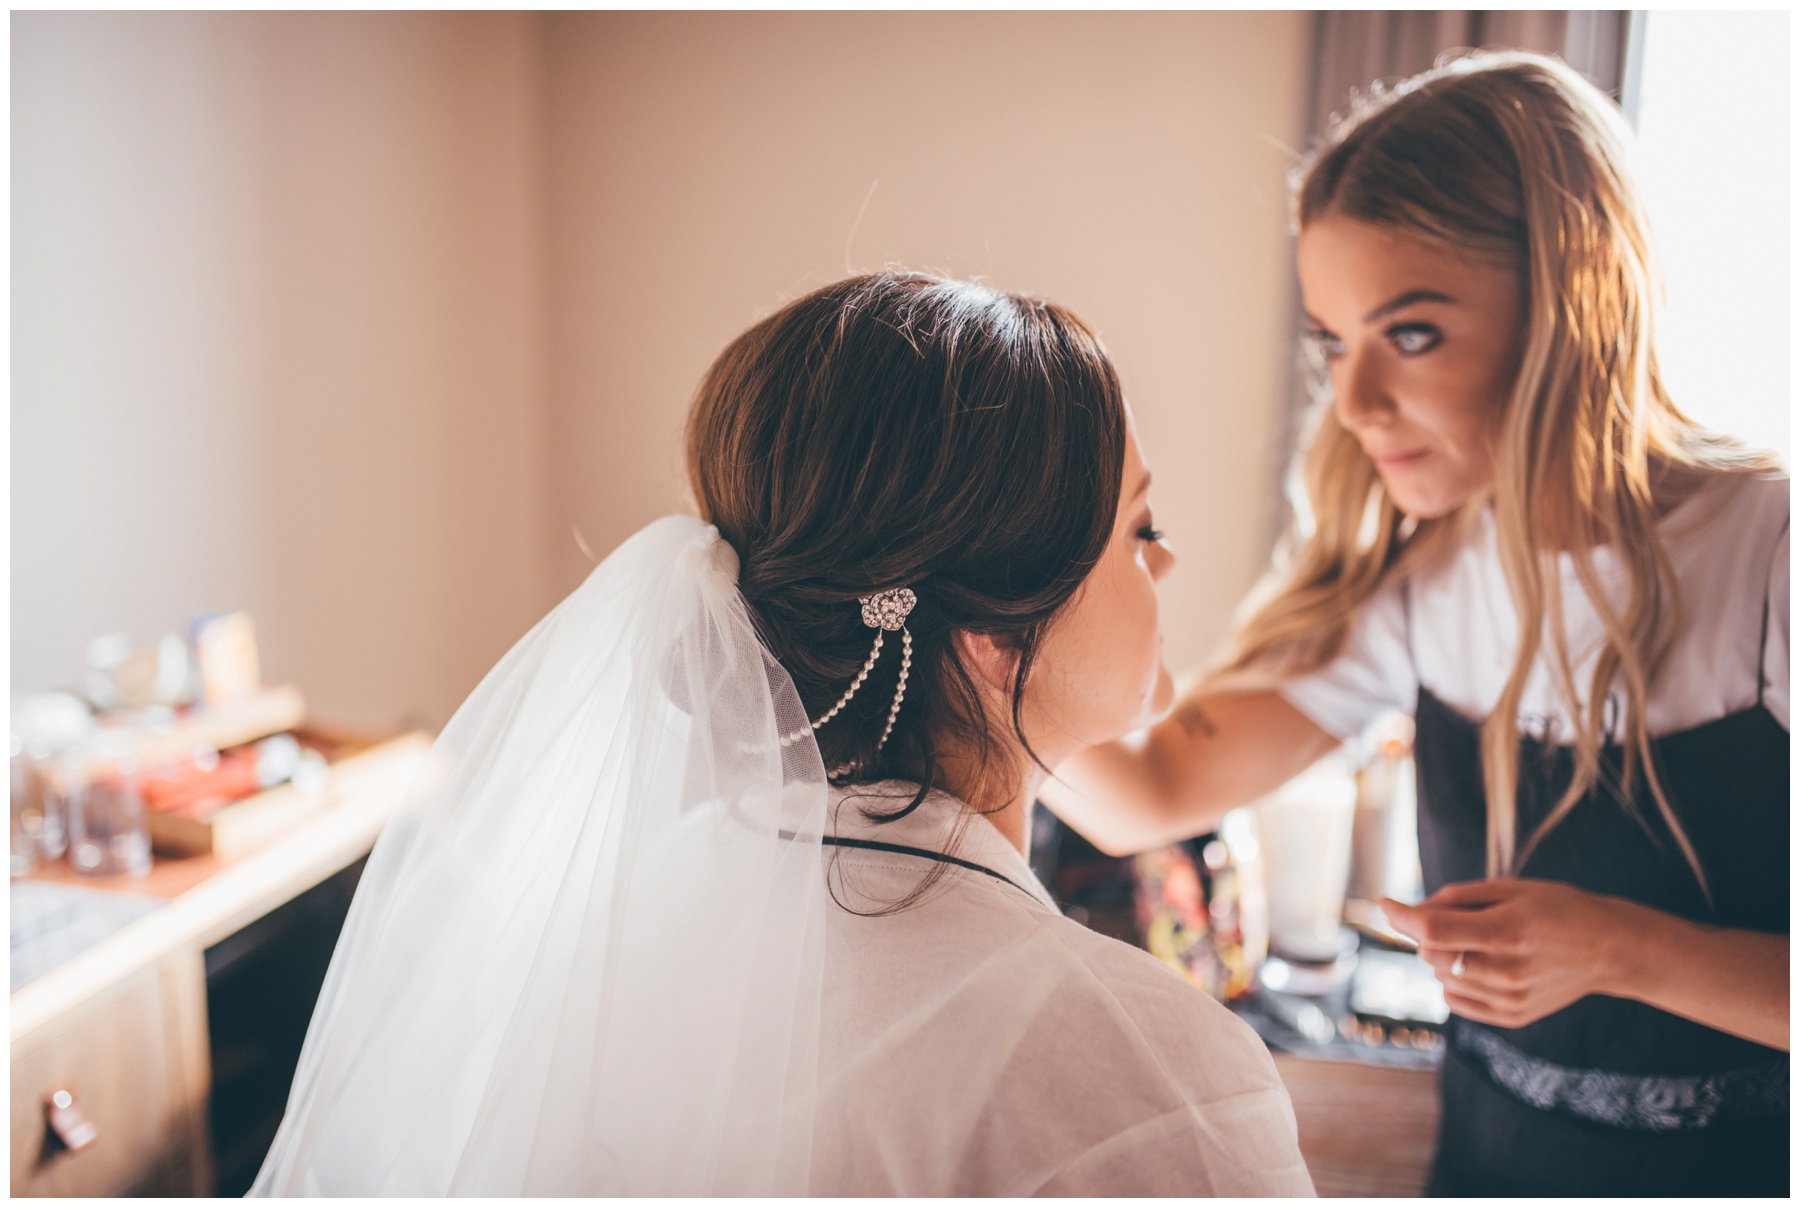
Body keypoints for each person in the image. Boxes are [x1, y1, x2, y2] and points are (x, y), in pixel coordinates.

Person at [250, 272, 1314, 1196]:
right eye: (1141, 529)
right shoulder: (1155, 1072)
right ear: (996, 631)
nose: (1165, 564)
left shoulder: (654, 894)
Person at [1045, 50, 1788, 1197]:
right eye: (1338, 341)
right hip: (1485, 1165)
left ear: (1571, 305)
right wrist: (941, 633)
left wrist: (1626, 948)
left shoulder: (1768, 552)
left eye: (1412, 333)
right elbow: (1143, 788)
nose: (1351, 402)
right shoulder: (1422, 574)